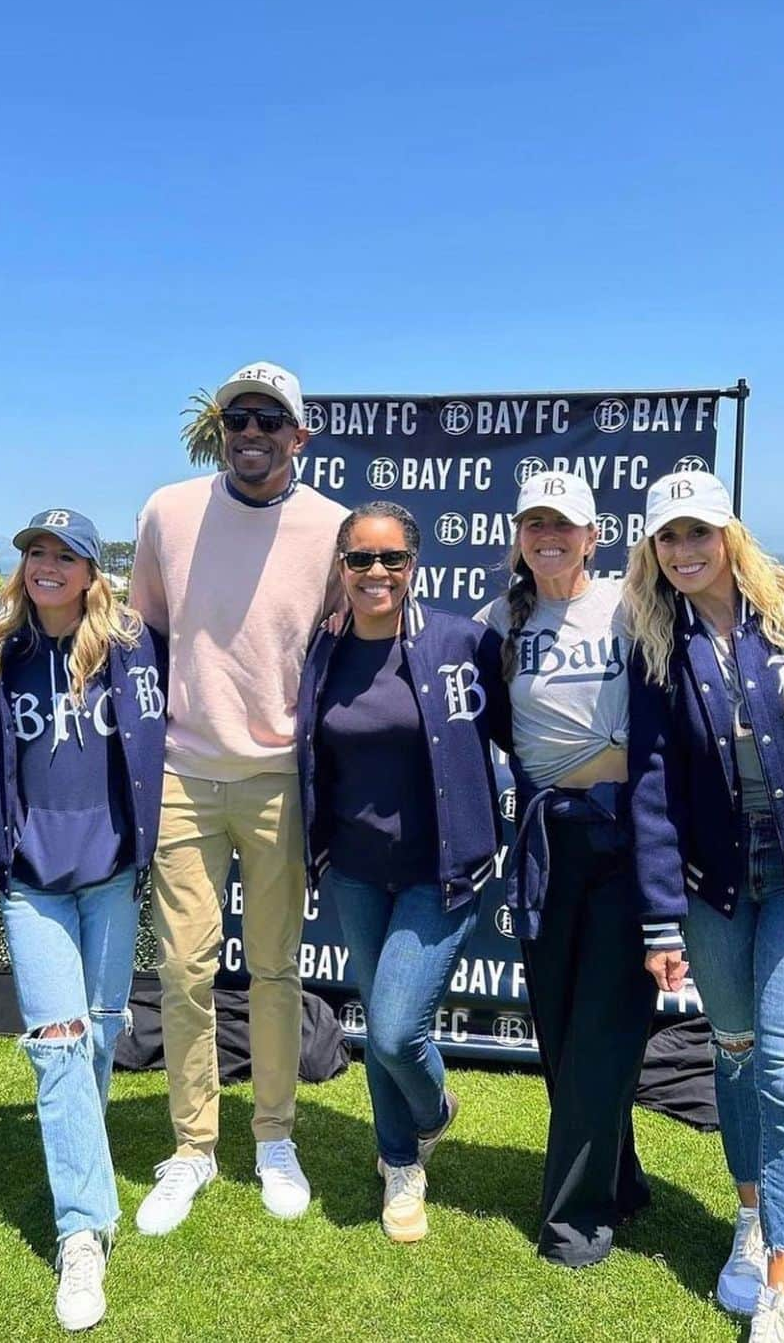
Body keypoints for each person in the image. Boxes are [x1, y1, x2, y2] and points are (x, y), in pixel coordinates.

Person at [625, 471, 784, 1342]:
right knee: (734, 1056)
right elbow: (649, 793)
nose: (686, 552)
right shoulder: (653, 649)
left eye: (701, 533)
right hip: (714, 891)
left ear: (732, 534)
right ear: (653, 550)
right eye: (670, 538)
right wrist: (660, 919)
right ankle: (752, 1215)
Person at [129, 361, 348, 1233]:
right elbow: (144, 632)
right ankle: (191, 1148)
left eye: (268, 420)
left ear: (299, 435)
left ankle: (273, 1136)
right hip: (183, 774)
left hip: (277, 783)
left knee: (274, 969)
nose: (250, 433)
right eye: (237, 419)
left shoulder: (334, 528)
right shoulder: (166, 512)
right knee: (182, 970)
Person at [0, 509, 167, 1331]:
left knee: (96, 1033)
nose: (48, 565)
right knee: (56, 1050)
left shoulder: (130, 648)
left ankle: (80, 1164)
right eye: (36, 553)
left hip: (112, 876)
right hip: (34, 883)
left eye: (66, 555)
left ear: (92, 571)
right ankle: (83, 1231)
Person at [296, 501, 510, 1241]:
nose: (375, 572)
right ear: (341, 567)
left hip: (441, 871)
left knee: (391, 1031)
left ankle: (434, 1113)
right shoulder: (321, 651)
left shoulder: (462, 642)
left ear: (413, 565)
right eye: (360, 559)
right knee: (378, 1015)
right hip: (354, 870)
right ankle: (400, 1164)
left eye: (391, 559)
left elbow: (518, 731)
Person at [476, 471, 656, 1268]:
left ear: (594, 534)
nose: (548, 535)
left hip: (630, 835)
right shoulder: (496, 622)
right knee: (558, 1022)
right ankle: (619, 1178)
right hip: (549, 842)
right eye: (534, 523)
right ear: (519, 534)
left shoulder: (631, 603)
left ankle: (576, 1218)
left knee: (606, 1026)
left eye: (564, 524)